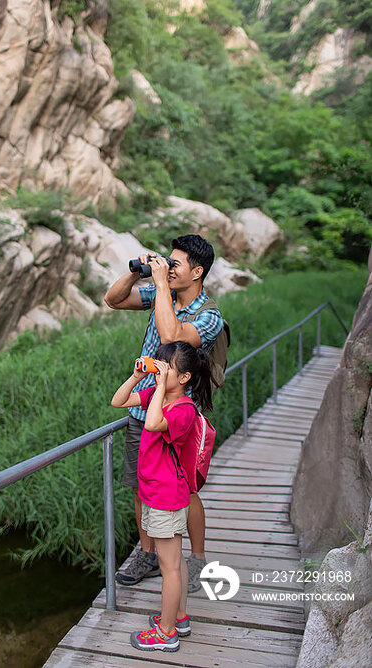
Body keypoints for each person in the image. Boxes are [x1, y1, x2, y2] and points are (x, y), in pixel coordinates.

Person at [104, 234, 223, 592]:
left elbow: (172, 334)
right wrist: (136, 273)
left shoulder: (209, 317)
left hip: (179, 418)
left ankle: (198, 560)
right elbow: (113, 299)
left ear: (198, 271)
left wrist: (158, 284)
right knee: (142, 488)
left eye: (176, 264)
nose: (169, 268)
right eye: (167, 262)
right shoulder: (163, 293)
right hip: (143, 412)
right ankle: (147, 553)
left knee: (185, 489)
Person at [111, 341, 214, 651]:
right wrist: (136, 376)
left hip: (166, 496)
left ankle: (166, 633)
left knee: (169, 567)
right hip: (158, 493)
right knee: (174, 562)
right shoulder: (162, 396)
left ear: (183, 378)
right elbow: (119, 401)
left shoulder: (182, 409)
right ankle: (179, 617)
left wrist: (157, 388)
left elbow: (153, 423)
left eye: (165, 366)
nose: (159, 368)